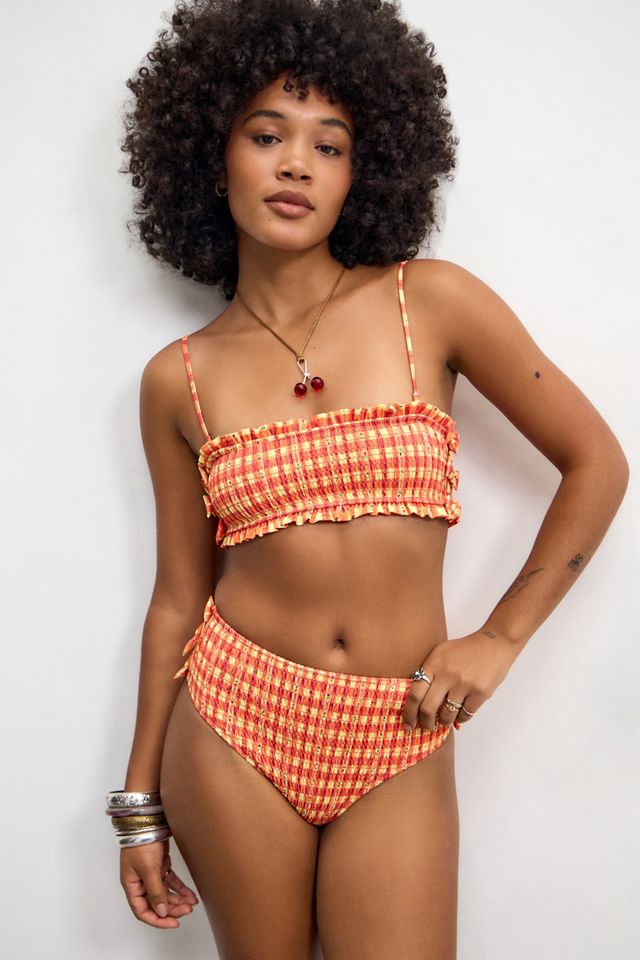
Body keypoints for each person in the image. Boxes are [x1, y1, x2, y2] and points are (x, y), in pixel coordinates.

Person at [106, 0, 629, 956]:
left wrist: (500, 638)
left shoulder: (431, 303)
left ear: (366, 171)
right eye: (267, 134)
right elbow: (178, 597)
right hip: (233, 722)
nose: (297, 164)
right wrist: (139, 803)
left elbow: (597, 463)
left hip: (400, 723)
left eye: (330, 145)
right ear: (211, 157)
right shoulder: (178, 379)